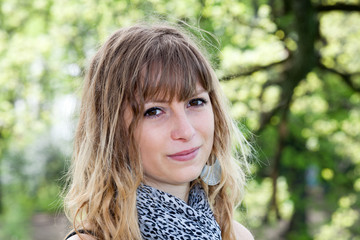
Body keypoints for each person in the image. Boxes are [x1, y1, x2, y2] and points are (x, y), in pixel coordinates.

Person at [64, 22, 254, 240]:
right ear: (113, 130)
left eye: (195, 102)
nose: (185, 131)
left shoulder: (236, 235)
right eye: (154, 111)